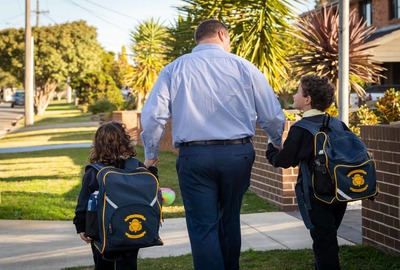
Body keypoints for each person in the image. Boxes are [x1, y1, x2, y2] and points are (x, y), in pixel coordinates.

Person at [140, 19, 285, 270]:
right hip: (237, 155)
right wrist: (275, 140)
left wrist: (151, 154)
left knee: (202, 227)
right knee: (229, 220)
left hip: (194, 157)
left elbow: (154, 116)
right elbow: (271, 115)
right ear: (221, 34)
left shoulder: (174, 69)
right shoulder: (244, 66)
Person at [266, 74, 348, 270]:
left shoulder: (301, 128)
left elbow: (283, 160)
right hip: (340, 190)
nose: (294, 95)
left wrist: (271, 146)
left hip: (316, 193)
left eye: (297, 91)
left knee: (323, 242)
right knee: (329, 237)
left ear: (308, 99)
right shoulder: (337, 123)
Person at [73, 121, 158, 270]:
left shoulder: (95, 171)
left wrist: (81, 226)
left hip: (102, 231)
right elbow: (149, 190)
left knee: (103, 265)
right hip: (132, 228)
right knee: (129, 265)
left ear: (98, 145)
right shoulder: (137, 166)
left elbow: (84, 201)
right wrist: (151, 170)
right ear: (125, 141)